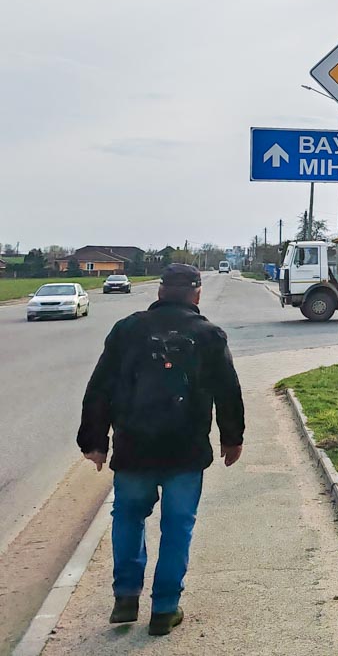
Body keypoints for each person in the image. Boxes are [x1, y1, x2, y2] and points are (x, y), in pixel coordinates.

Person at [77, 263, 245, 636]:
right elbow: (228, 391)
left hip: (134, 446)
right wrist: (232, 438)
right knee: (177, 526)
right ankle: (165, 610)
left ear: (160, 292)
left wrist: (94, 441)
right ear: (196, 293)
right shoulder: (209, 335)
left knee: (127, 517)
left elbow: (100, 387)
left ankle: (125, 597)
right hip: (185, 450)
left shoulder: (127, 330)